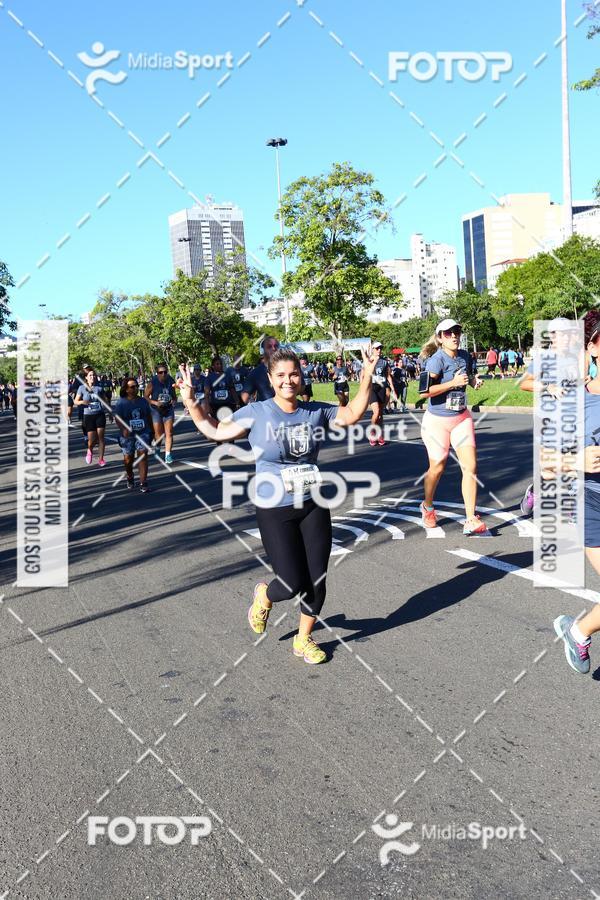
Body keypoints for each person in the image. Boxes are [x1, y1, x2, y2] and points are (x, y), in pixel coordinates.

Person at [178, 346, 379, 665]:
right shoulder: (256, 412)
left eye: (294, 374)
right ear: (271, 379)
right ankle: (263, 596)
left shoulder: (314, 411)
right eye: (282, 375)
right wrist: (191, 403)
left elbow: (353, 413)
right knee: (289, 583)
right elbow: (215, 431)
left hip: (313, 504)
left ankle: (304, 638)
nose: (289, 381)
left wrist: (367, 375)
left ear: (302, 377)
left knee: (316, 578)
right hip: (274, 508)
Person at [419, 319, 486, 534]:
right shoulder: (435, 361)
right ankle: (427, 506)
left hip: (461, 418)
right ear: (440, 338)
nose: (454, 336)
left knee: (470, 467)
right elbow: (424, 393)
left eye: (456, 331)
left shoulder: (465, 356)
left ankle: (470, 519)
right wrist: (451, 384)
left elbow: (469, 378)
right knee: (437, 468)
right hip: (436, 422)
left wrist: (474, 382)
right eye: (448, 333)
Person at [114, 377, 153, 492]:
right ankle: (130, 476)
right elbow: (117, 419)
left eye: (136, 386)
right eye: (132, 387)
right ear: (126, 389)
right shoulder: (121, 402)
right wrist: (123, 429)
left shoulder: (143, 401)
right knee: (128, 459)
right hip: (128, 436)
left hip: (143, 432)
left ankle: (143, 483)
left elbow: (149, 416)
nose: (135, 388)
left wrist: (152, 431)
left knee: (143, 455)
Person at [74, 368, 109, 466]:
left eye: (94, 375)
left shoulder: (99, 388)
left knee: (101, 438)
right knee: (92, 440)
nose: (92, 377)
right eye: (90, 375)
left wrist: (110, 413)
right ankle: (89, 450)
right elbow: (75, 401)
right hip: (88, 416)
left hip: (100, 415)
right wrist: (82, 402)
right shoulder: (81, 388)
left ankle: (101, 459)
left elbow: (105, 401)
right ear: (86, 377)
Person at [145, 363, 177, 464]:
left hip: (168, 409)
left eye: (165, 372)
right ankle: (158, 448)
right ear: (157, 373)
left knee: (169, 432)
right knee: (158, 434)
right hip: (156, 411)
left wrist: (174, 402)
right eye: (160, 372)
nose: (163, 374)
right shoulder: (153, 382)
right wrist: (155, 402)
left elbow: (174, 396)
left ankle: (168, 455)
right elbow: (146, 396)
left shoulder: (170, 380)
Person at [368, 342, 397, 447]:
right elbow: (364, 375)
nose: (379, 350)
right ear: (373, 349)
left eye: (380, 348)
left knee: (380, 414)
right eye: (377, 348)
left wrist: (393, 389)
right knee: (376, 413)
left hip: (382, 388)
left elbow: (388, 376)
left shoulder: (384, 362)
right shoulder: (369, 360)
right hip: (372, 388)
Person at [241, 336, 280, 403]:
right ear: (262, 350)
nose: (273, 349)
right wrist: (255, 408)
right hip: (266, 412)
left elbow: (301, 388)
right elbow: (244, 396)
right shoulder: (256, 373)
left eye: (276, 346)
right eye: (269, 346)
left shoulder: (286, 368)